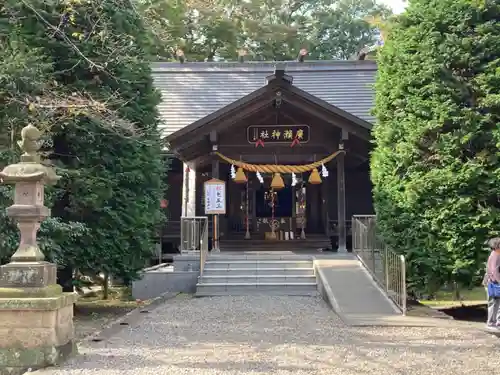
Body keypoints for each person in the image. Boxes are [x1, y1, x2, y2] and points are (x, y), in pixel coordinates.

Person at [484, 237, 500, 329]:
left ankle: (496, 322)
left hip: (494, 282)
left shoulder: (497, 254)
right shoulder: (496, 255)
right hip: (492, 283)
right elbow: (494, 271)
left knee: (497, 303)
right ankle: (491, 322)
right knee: (493, 303)